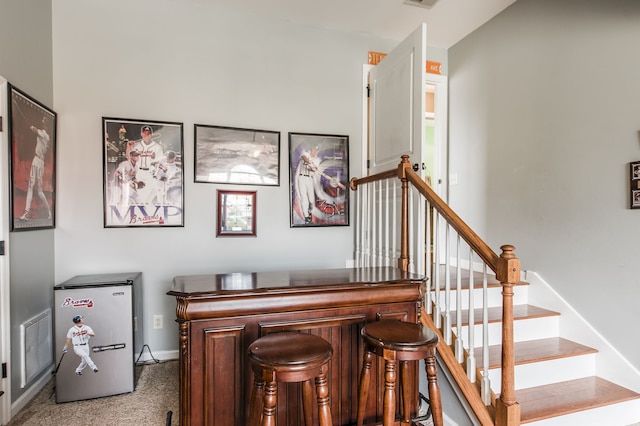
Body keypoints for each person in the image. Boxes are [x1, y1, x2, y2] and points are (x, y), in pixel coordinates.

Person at [19, 116, 52, 221]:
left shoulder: (45, 135)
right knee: (36, 189)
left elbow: (35, 129)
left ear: (47, 124)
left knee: (35, 189)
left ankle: (45, 211)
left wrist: (32, 126)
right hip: (39, 162)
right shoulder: (46, 135)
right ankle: (31, 212)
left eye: (44, 121)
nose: (42, 121)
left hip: (37, 161)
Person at [131, 125, 163, 203]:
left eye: (148, 133)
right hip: (140, 172)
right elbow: (130, 157)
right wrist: (129, 147)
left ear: (151, 134)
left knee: (152, 192)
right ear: (141, 134)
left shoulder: (157, 147)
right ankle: (142, 210)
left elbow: (159, 161)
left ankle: (147, 208)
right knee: (140, 194)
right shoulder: (137, 145)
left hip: (150, 172)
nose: (147, 135)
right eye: (145, 133)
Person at [295, 144, 321, 224]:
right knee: (303, 197)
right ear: (312, 148)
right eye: (314, 148)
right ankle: (306, 216)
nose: (315, 150)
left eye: (317, 149)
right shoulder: (306, 154)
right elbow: (303, 157)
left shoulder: (317, 160)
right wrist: (309, 162)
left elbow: (314, 170)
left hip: (310, 179)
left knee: (311, 199)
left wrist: (313, 168)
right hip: (301, 177)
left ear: (318, 150)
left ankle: (309, 210)